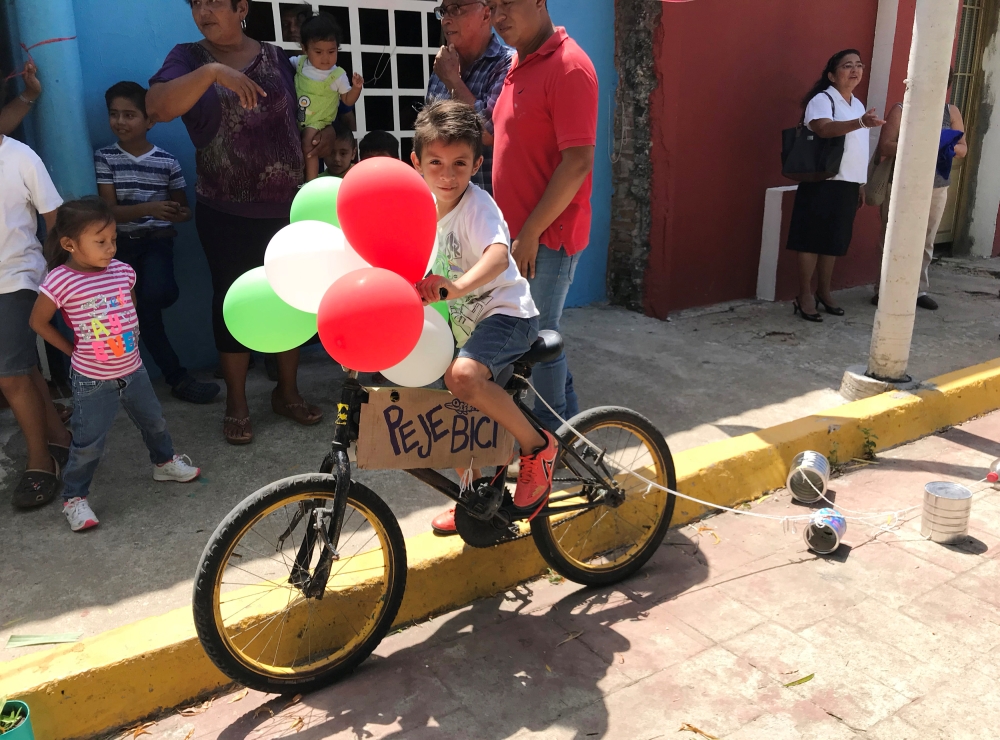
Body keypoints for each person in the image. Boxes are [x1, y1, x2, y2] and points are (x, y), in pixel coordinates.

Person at [147, 0, 327, 445]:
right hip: (225, 207)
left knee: (291, 296)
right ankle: (238, 402)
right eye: (196, 3)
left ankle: (287, 392)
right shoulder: (188, 58)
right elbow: (157, 106)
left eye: (214, 2)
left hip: (288, 206)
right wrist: (212, 74)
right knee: (230, 301)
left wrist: (321, 134)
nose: (204, 10)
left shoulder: (277, 57)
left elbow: (306, 112)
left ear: (241, 7)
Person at [413, 100, 552, 534]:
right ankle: (472, 497)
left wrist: (455, 287)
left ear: (477, 164)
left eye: (459, 163)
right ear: (415, 162)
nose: (447, 174)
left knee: (463, 377)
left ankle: (538, 446)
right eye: (435, 162)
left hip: (505, 313)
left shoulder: (477, 206)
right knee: (451, 414)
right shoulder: (418, 206)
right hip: (462, 325)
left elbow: (496, 256)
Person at [29, 198, 201, 531]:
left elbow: (129, 309)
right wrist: (70, 349)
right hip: (92, 380)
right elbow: (38, 322)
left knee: (154, 422)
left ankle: (164, 462)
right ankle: (75, 498)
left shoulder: (123, 271)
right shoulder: (60, 281)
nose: (111, 248)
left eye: (113, 239)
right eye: (100, 241)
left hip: (133, 370)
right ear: (69, 245)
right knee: (88, 442)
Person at [490, 0, 598, 433]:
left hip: (547, 237)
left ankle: (550, 444)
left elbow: (577, 162)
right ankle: (571, 433)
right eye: (492, 7)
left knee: (537, 338)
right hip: (520, 236)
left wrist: (531, 231)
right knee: (540, 339)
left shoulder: (569, 66)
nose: (498, 17)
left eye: (507, 4)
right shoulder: (518, 63)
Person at [95, 81, 221, 404]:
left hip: (157, 243)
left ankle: (157, 378)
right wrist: (150, 208)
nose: (120, 122)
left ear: (149, 121)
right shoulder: (105, 158)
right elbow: (109, 213)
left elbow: (183, 212)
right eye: (114, 114)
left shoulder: (167, 162)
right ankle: (175, 379)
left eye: (129, 115)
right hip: (119, 249)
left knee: (156, 295)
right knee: (140, 317)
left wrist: (175, 212)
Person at [0, 75, 74, 509]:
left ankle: (40, 461)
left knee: (9, 375)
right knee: (21, 367)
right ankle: (58, 436)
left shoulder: (19, 157)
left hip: (16, 278)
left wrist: (55, 277)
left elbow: (55, 219)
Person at [786, 49, 885, 322]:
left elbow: (859, 147)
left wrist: (861, 184)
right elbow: (823, 129)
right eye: (847, 66)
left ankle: (824, 292)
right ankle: (804, 294)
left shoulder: (858, 104)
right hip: (822, 180)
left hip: (848, 183)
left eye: (858, 65)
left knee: (833, 240)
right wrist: (861, 123)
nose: (854, 70)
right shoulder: (822, 99)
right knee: (810, 238)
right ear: (832, 74)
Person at [872, 68, 967, 311]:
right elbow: (886, 146)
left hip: (937, 186)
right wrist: (920, 145)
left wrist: (945, 147)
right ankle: (884, 289)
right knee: (893, 237)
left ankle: (917, 290)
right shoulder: (901, 110)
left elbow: (963, 148)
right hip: (901, 183)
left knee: (926, 239)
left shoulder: (951, 111)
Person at [426, 0, 512, 195]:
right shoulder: (442, 69)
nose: (446, 20)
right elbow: (429, 137)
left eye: (456, 9)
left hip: (489, 212)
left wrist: (452, 81)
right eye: (443, 11)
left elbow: (489, 133)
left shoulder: (507, 65)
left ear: (486, 13)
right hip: (445, 210)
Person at [291, 12, 363, 181]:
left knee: (309, 145)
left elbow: (347, 100)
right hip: (297, 117)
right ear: (304, 48)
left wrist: (356, 88)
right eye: (318, 51)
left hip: (318, 121)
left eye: (331, 51)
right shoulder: (299, 63)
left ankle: (310, 183)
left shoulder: (337, 75)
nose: (325, 58)